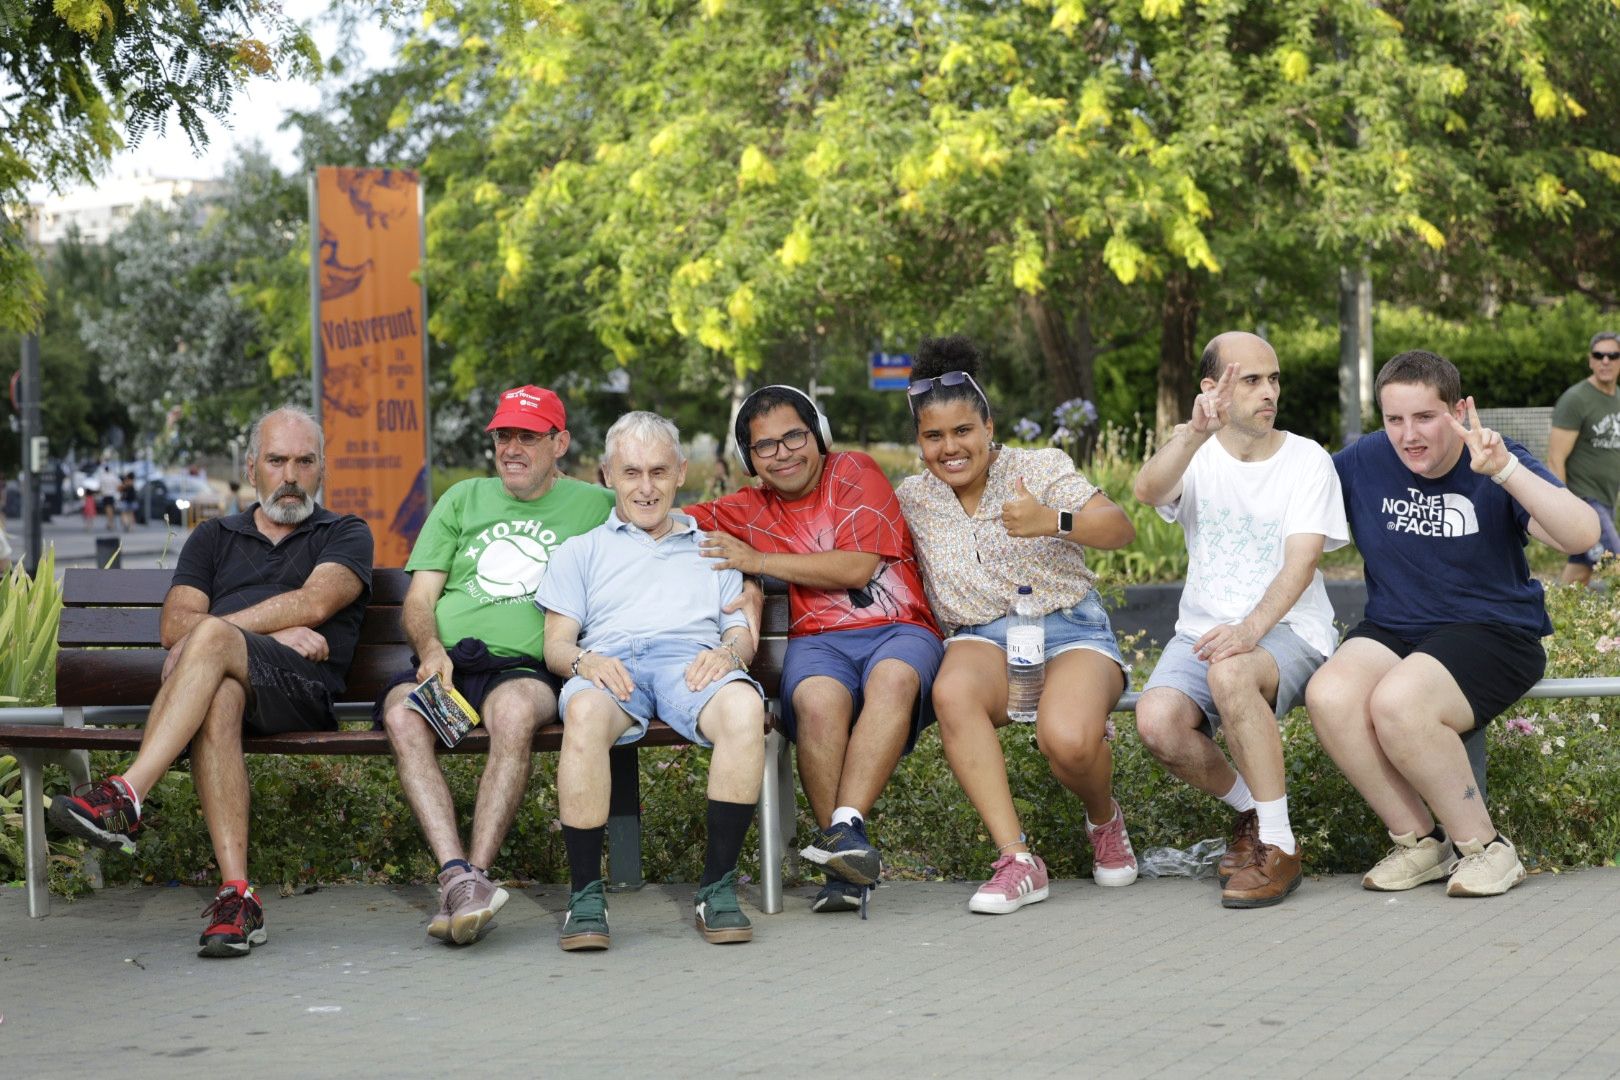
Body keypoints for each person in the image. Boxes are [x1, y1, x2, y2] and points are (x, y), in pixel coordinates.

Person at [48, 407, 374, 955]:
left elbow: (316, 601)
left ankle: (127, 796)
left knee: (213, 642)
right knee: (220, 691)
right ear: (252, 468)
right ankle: (238, 896)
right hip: (226, 688)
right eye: (276, 460)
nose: (290, 475)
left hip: (302, 691)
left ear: (322, 470)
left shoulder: (345, 533)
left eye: (304, 461)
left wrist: (213, 640)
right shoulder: (213, 537)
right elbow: (173, 625)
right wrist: (271, 630)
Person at [1307, 350, 1598, 898]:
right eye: (1395, 419)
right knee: (1330, 695)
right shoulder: (1364, 460)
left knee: (1400, 702)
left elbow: (1580, 535)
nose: (1408, 435)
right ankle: (1420, 843)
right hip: (1397, 627)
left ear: (1459, 410)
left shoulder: (1492, 457)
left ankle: (1486, 849)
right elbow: (1284, 492)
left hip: (1494, 631)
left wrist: (1505, 472)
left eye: (1424, 417)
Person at [895, 335, 1138, 915]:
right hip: (982, 638)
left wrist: (1050, 520)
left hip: (1069, 629)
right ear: (919, 442)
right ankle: (1018, 861)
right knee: (950, 689)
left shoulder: (1038, 467)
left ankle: (1104, 821)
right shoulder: (912, 498)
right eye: (934, 436)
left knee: (1070, 740)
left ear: (988, 427)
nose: (950, 448)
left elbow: (1119, 528)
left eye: (963, 432)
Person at [686, 385, 943, 914]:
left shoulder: (852, 471)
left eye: (794, 437)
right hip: (819, 643)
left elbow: (855, 566)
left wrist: (756, 563)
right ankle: (845, 864)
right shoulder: (745, 508)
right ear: (749, 460)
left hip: (899, 629)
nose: (783, 454)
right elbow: (661, 512)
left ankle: (842, 832)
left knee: (893, 680)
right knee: (817, 703)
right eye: (765, 447)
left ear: (819, 436)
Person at [375, 385, 614, 945]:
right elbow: (419, 599)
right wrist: (431, 650)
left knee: (510, 713)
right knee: (403, 716)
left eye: (527, 436)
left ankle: (476, 874)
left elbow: (663, 518)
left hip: (523, 670)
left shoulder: (594, 505)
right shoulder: (463, 498)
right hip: (451, 670)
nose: (511, 447)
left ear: (560, 443)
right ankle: (457, 876)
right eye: (503, 435)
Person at [1131, 332, 1348, 908]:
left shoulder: (1307, 459)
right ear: (1214, 389)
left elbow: (1302, 565)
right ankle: (1253, 810)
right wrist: (1193, 436)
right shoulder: (1195, 451)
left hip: (1288, 630)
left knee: (1232, 674)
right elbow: (1147, 490)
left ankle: (1279, 846)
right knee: (1156, 721)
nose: (1268, 391)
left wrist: (1249, 631)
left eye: (1273, 378)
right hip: (1204, 629)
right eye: (1251, 380)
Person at [537, 412, 765, 950]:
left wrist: (732, 652)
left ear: (681, 473)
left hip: (690, 661)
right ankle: (586, 895)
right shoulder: (581, 552)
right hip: (610, 663)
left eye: (659, 472)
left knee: (743, 709)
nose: (646, 487)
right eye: (631, 472)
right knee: (587, 712)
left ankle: (717, 887)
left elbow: (741, 631)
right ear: (606, 475)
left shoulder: (714, 548)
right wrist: (585, 664)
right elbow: (556, 646)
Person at [1547, 330, 1620, 586]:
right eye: (1599, 355)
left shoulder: (1618, 398)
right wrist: (1563, 509)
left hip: (1607, 500)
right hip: (1584, 501)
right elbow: (1555, 458)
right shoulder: (1576, 399)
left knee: (1580, 571)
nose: (1605, 361)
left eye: (1613, 355)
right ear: (1590, 360)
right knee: (1615, 562)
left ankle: (1552, 621)